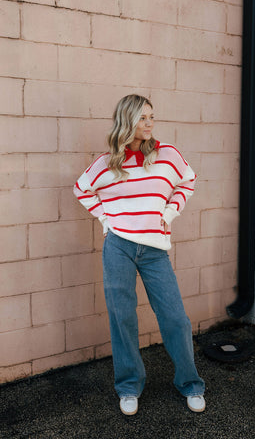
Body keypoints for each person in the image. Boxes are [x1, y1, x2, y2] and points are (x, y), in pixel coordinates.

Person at [73, 94, 205, 415]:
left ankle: (190, 384)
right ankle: (129, 386)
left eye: (151, 117)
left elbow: (187, 181)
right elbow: (81, 188)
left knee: (175, 318)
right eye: (143, 118)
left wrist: (171, 211)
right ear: (127, 120)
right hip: (118, 246)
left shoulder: (167, 155)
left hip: (154, 249)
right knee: (123, 318)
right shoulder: (107, 163)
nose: (149, 123)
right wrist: (106, 219)